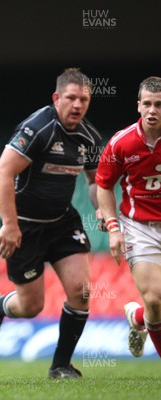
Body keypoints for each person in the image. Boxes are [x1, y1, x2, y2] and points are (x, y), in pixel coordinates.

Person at [0, 68, 103, 378]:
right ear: (56, 98)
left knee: (82, 292)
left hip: (63, 221)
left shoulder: (89, 137)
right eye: (71, 98)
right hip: (25, 227)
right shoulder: (38, 129)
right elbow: (2, 173)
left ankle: (60, 366)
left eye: (84, 100)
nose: (77, 105)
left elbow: (94, 182)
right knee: (31, 306)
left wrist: (102, 209)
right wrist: (9, 225)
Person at [95, 76, 161, 358]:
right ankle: (144, 315)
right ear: (138, 106)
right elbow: (104, 185)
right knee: (155, 299)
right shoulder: (121, 143)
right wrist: (113, 229)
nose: (152, 110)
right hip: (139, 227)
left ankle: (136, 318)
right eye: (147, 104)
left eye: (159, 104)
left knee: (153, 305)